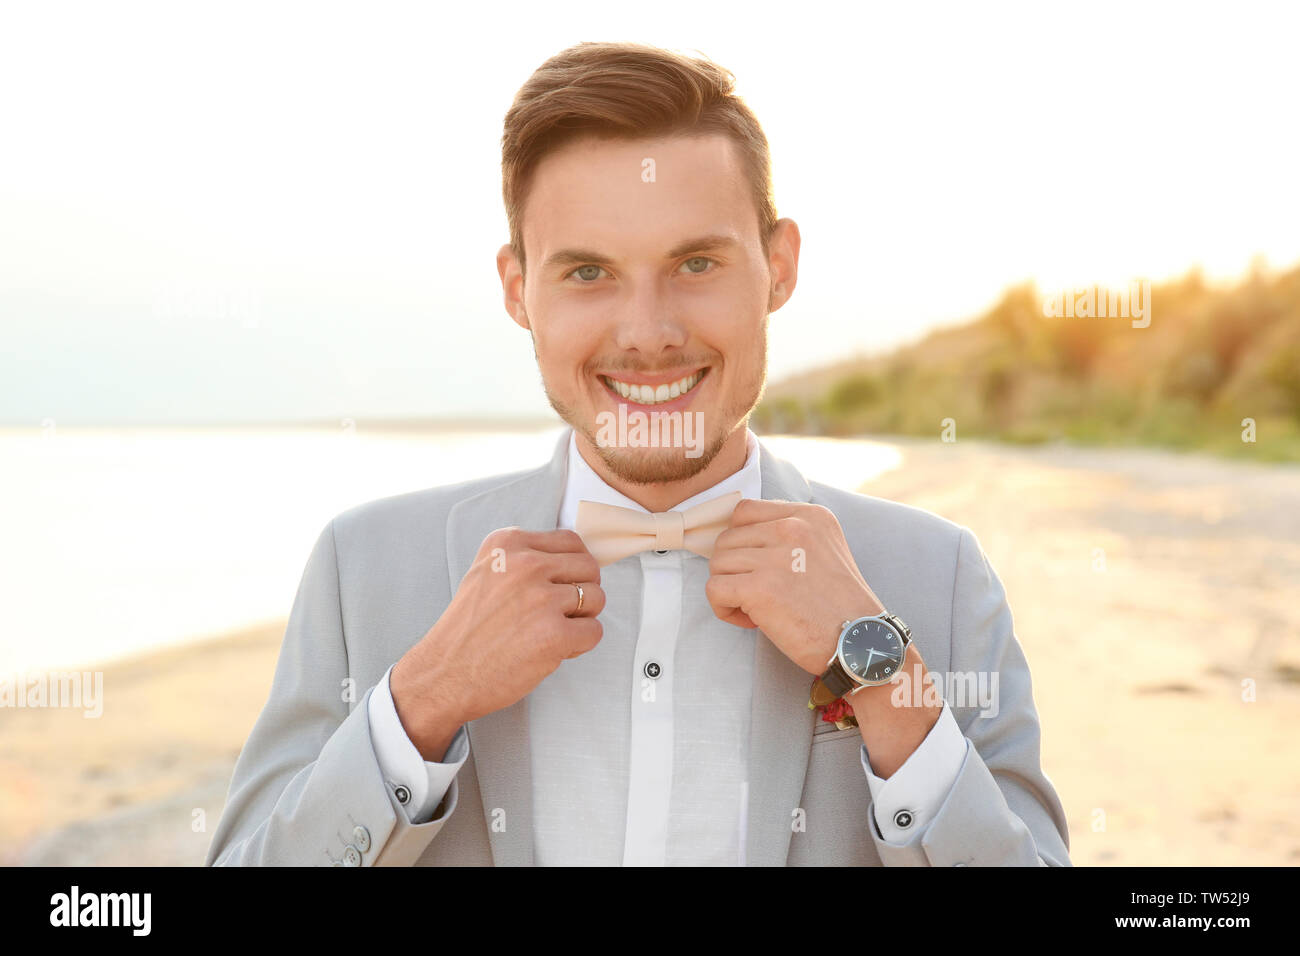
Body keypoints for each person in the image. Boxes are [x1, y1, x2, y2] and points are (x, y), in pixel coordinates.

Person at [205, 40, 1069, 866]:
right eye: (588, 273)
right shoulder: (362, 573)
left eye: (695, 263)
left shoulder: (938, 577)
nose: (648, 334)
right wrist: (421, 701)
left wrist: (876, 672)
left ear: (779, 266)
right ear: (518, 291)